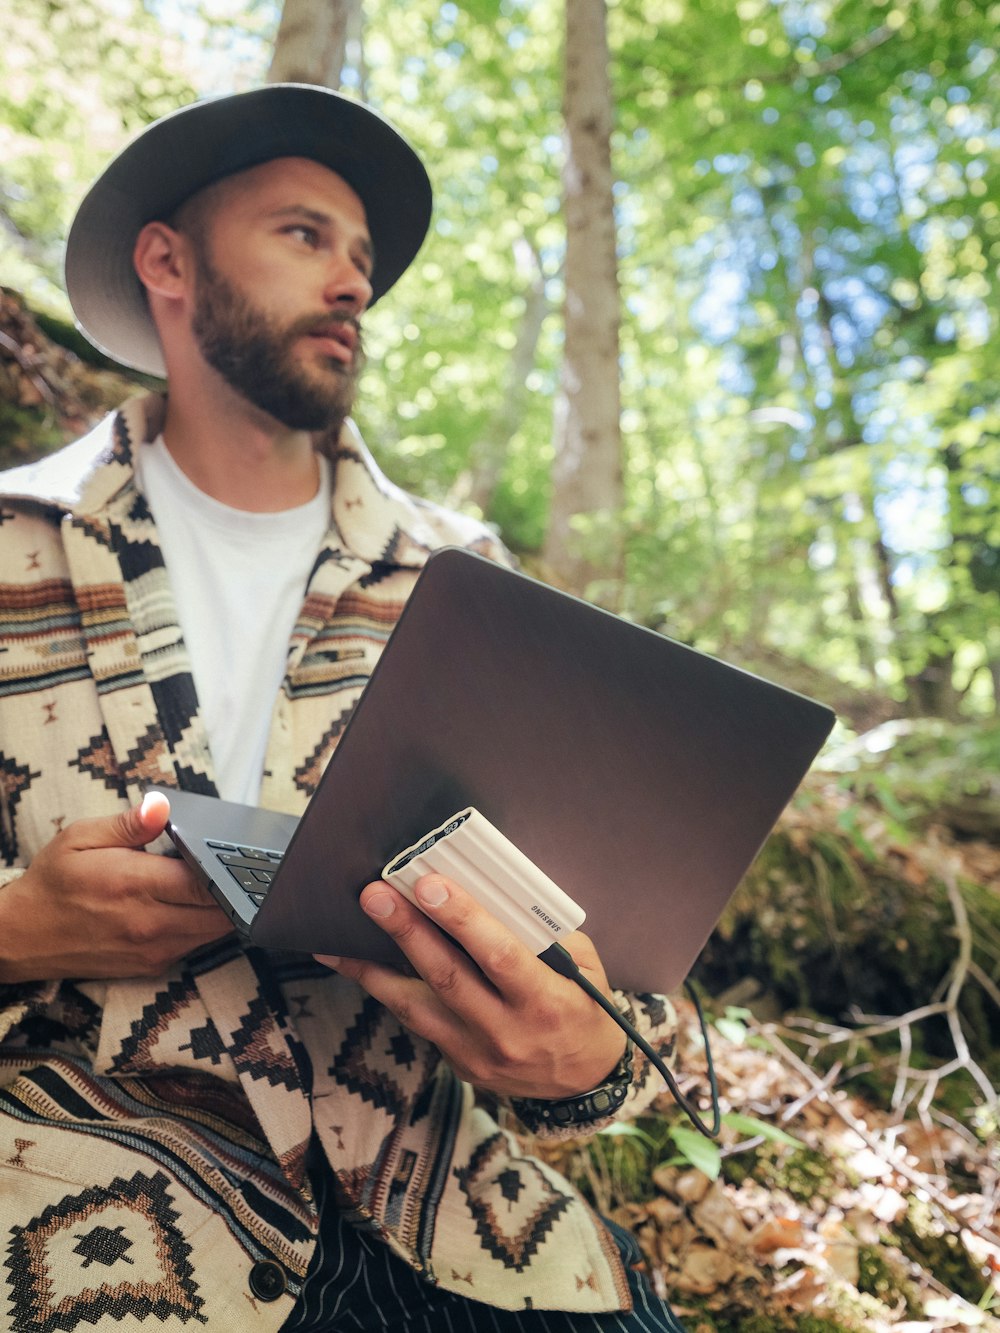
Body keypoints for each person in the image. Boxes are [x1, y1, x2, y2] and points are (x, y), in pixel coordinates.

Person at [0, 85, 686, 1332]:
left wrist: (584, 1060)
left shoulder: (466, 581)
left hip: (472, 1234)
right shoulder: (9, 546)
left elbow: (626, 997)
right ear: (167, 261)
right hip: (93, 1218)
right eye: (305, 236)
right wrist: (17, 928)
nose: (354, 284)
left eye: (363, 259)